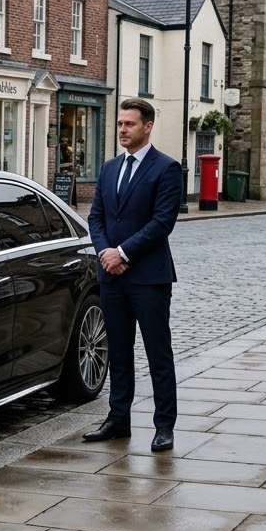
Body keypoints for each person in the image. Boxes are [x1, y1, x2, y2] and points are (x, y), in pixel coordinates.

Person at [83, 97, 182, 452]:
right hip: (112, 276)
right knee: (119, 351)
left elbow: (162, 223)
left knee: (158, 353)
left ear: (147, 126)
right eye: (120, 124)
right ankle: (117, 419)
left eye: (129, 124)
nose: (122, 130)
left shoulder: (166, 168)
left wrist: (123, 252)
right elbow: (96, 217)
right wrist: (105, 253)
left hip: (148, 278)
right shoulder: (109, 167)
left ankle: (164, 425)